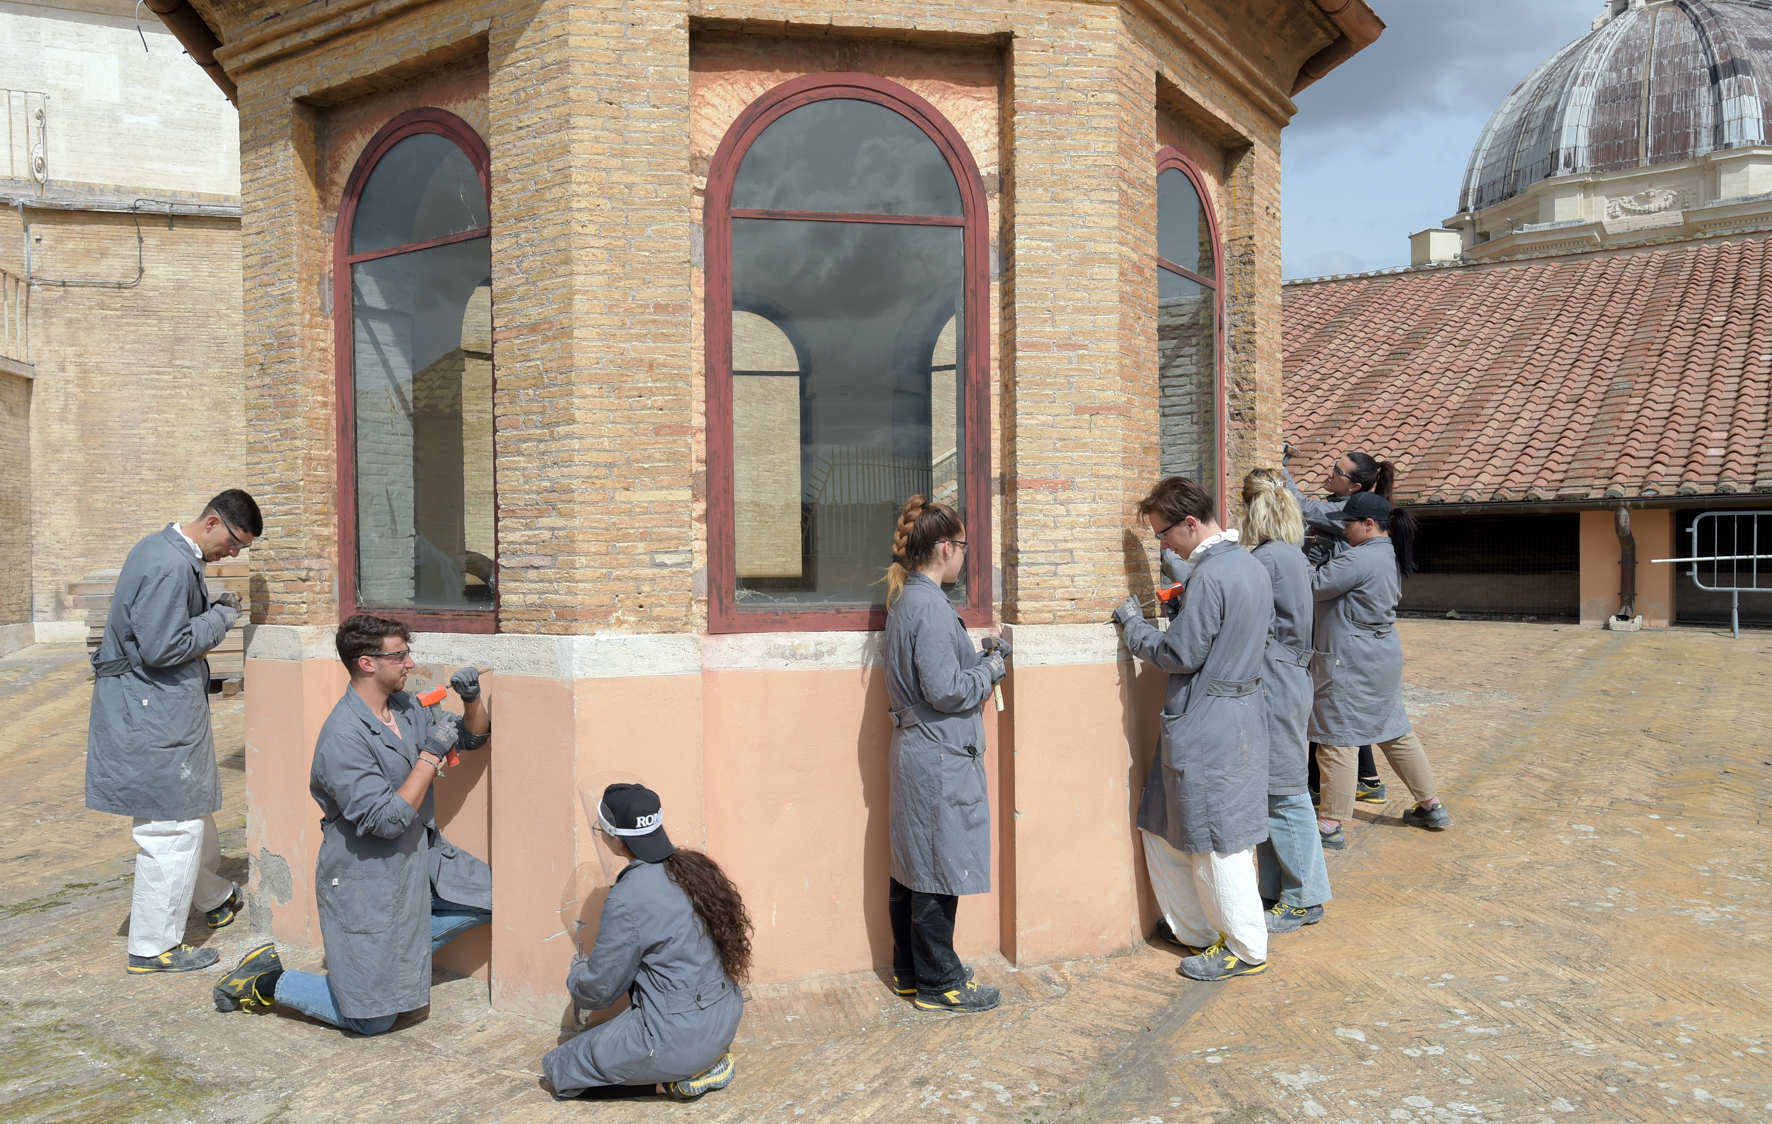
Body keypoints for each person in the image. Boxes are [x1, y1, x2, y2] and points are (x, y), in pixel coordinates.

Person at [210, 614, 492, 1033]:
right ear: (367, 663)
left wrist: (471, 701)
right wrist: (429, 756)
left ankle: (388, 964)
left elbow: (471, 738)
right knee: (373, 1020)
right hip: (367, 876)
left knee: (492, 897)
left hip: (423, 856)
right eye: (400, 656)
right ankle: (265, 979)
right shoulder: (343, 738)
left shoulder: (405, 707)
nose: (410, 663)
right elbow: (387, 820)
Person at [86, 490, 261, 973]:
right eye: (234, 542)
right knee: (172, 826)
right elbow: (165, 648)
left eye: (242, 548)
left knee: (189, 811)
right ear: (212, 522)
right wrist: (221, 616)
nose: (234, 553)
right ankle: (153, 947)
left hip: (151, 705)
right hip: (152, 710)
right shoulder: (169, 565)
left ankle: (216, 898)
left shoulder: (160, 548)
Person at [1114, 476, 1273, 982]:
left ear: (1189, 523)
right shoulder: (1249, 565)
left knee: (1217, 837)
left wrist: (1133, 627)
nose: (1163, 545)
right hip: (1239, 715)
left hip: (1208, 721)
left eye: (1164, 534)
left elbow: (1180, 653)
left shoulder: (1211, 576)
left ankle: (1244, 948)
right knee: (1160, 823)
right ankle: (1200, 932)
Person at [543, 783, 750, 1101]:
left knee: (559, 1068)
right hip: (723, 1019)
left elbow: (599, 992)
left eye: (601, 829)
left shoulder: (627, 897)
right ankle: (704, 1060)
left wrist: (577, 972)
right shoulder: (695, 868)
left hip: (680, 1037)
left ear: (617, 839)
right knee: (619, 1035)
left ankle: (676, 1083)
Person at [881, 495, 1005, 1013]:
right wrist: (991, 669)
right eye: (964, 547)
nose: (966, 557)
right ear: (946, 548)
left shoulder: (908, 600)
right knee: (937, 865)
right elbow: (945, 689)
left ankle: (911, 972)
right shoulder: (929, 605)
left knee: (914, 864)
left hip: (921, 749)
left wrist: (977, 660)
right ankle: (941, 982)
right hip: (937, 753)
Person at [1310, 491, 1449, 850]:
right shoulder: (1388, 553)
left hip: (1349, 660)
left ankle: (1329, 825)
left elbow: (1313, 586)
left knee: (1337, 737)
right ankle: (1431, 806)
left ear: (1369, 524)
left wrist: (1303, 562)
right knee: (1395, 731)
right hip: (1380, 656)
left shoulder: (1358, 558)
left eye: (1348, 523)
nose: (1344, 529)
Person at [1283, 445, 1401, 806]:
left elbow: (1303, 507)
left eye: (1338, 471)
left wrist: (1279, 470)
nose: (1329, 473)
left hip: (1341, 631)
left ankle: (1328, 803)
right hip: (1348, 631)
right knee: (1346, 713)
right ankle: (1368, 780)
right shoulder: (1360, 523)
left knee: (1333, 714)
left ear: (1355, 487)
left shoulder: (1346, 515)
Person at [1240, 470, 1331, 933]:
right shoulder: (1289, 555)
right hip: (1289, 676)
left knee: (1284, 792)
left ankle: (1304, 896)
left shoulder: (1266, 559)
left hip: (1275, 679)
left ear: (1250, 510)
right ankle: (1276, 890)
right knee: (1273, 789)